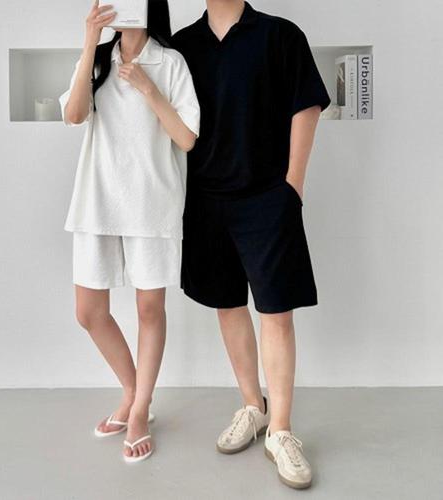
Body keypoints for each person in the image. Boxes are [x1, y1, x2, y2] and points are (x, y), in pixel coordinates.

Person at [172, 0, 331, 489]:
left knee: (277, 311)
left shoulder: (280, 35)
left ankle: (280, 430)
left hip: (268, 196)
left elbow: (306, 106)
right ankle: (252, 406)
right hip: (206, 199)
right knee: (227, 304)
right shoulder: (182, 46)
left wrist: (292, 187)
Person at [58, 0, 200, 463]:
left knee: (148, 309)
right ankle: (133, 391)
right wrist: (88, 42)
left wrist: (148, 88)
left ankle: (138, 409)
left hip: (152, 203)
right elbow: (73, 115)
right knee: (88, 312)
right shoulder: (98, 59)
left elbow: (187, 138)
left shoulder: (171, 62)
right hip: (96, 200)